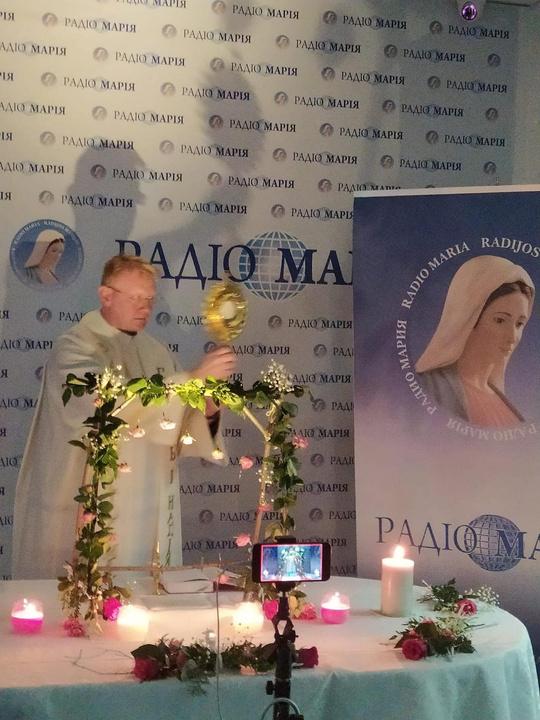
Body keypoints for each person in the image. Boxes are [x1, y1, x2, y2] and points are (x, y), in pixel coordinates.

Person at [12, 255, 236, 578]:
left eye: (150, 299)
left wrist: (208, 407)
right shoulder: (75, 347)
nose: (145, 308)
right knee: (85, 588)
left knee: (142, 587)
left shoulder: (157, 352)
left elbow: (178, 424)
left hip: (147, 501)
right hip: (91, 499)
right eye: (135, 298)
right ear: (106, 295)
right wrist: (191, 379)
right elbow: (105, 407)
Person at [416, 255, 535, 427]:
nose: (512, 336)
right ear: (469, 318)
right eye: (500, 320)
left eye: (519, 324)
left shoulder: (510, 412)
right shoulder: (428, 388)